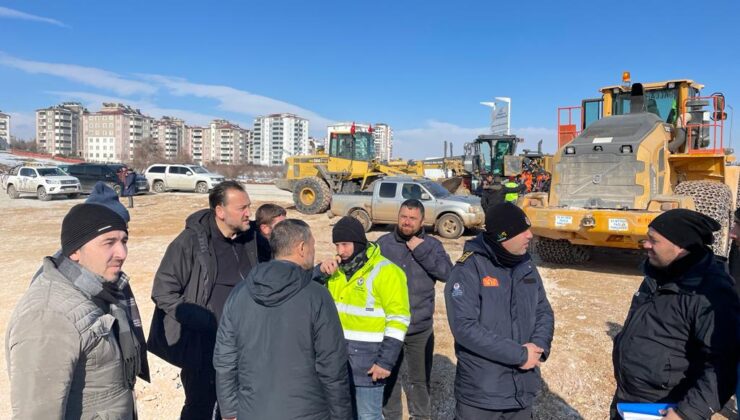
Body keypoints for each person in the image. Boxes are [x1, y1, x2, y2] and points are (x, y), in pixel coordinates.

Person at [6, 185, 149, 419]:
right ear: (74, 251)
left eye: (124, 240)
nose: (122, 253)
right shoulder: (49, 316)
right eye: (109, 242)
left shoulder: (100, 290)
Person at [147, 180, 268, 419]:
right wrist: (203, 319)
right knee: (200, 408)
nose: (248, 213)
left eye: (249, 207)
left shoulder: (253, 240)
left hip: (246, 347)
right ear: (220, 211)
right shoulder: (191, 242)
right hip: (205, 348)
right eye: (242, 208)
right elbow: (163, 291)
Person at [213, 219, 352, 419]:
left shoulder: (240, 293)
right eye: (312, 245)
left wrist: (229, 411)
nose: (313, 251)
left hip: (253, 411)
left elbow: (225, 359)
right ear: (302, 248)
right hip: (307, 413)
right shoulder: (317, 296)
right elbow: (332, 367)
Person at [611, 209, 740, 420]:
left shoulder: (711, 293)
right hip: (629, 399)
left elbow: (722, 365)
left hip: (665, 408)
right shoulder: (657, 275)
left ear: (681, 247)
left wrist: (686, 414)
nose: (646, 245)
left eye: (654, 240)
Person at [445, 202, 554, 419]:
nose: (530, 235)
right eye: (522, 230)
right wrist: (519, 355)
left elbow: (544, 311)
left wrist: (538, 346)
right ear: (503, 237)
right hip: (482, 396)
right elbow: (465, 327)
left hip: (521, 392)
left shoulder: (526, 265)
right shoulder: (469, 269)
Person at [316, 216, 411, 420]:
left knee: (368, 416)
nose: (340, 251)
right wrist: (319, 272)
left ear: (358, 243)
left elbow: (398, 320)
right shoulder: (335, 271)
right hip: (338, 363)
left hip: (368, 364)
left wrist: (385, 362)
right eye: (337, 245)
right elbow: (304, 288)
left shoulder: (387, 272)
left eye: (345, 244)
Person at [377, 199, 452, 420]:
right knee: (388, 376)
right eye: (403, 217)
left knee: (419, 379)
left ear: (422, 221)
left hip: (420, 327)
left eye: (412, 218)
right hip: (390, 327)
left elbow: (448, 274)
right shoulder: (383, 245)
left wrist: (421, 251)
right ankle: (391, 416)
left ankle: (421, 416)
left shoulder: (433, 246)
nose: (406, 222)